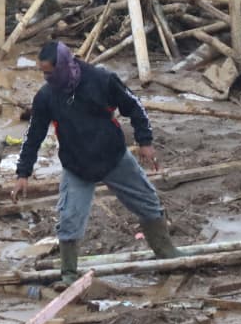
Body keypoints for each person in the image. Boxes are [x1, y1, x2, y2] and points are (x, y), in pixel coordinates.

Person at [13, 41, 181, 284]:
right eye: (43, 73)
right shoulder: (47, 97)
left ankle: (167, 255)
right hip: (77, 166)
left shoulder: (101, 80)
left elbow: (134, 107)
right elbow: (34, 136)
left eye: (49, 72)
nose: (45, 77)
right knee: (69, 219)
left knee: (148, 203)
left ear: (62, 67)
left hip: (113, 157)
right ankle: (69, 275)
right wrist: (23, 173)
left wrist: (145, 141)